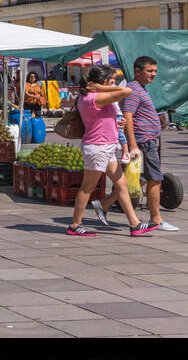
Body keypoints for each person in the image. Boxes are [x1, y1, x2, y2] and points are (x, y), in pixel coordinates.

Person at [91, 56, 177, 232]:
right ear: (137, 71)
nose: (153, 74)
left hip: (148, 139)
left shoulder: (140, 89)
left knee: (138, 181)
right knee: (155, 179)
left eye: (155, 71)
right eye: (149, 71)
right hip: (143, 141)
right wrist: (133, 145)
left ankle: (104, 205)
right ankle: (156, 220)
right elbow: (128, 116)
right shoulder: (133, 90)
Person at [65, 65, 152, 236]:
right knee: (87, 187)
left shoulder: (95, 96)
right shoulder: (93, 97)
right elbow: (126, 91)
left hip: (108, 146)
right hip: (98, 147)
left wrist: (114, 123)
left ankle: (134, 224)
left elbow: (101, 117)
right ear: (103, 82)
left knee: (122, 184)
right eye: (112, 80)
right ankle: (75, 224)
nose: (114, 82)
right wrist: (100, 88)